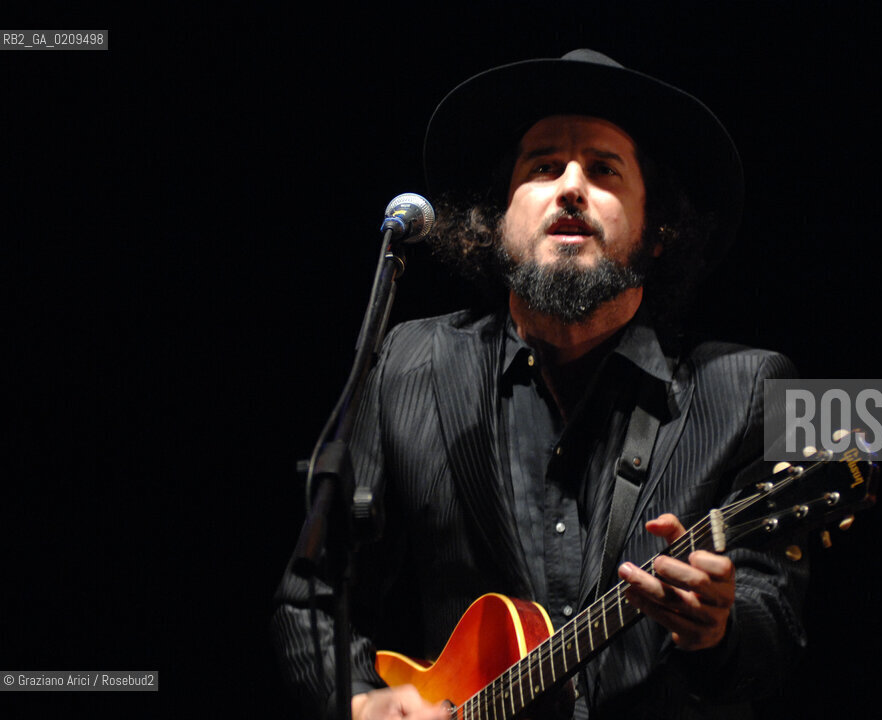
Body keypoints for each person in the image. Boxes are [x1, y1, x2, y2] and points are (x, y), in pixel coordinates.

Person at [272, 49, 807, 719]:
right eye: (544, 167)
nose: (571, 187)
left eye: (604, 169)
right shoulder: (412, 364)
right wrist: (358, 702)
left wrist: (718, 629)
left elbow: (777, 619)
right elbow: (311, 599)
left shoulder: (748, 388)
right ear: (499, 220)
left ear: (659, 230)